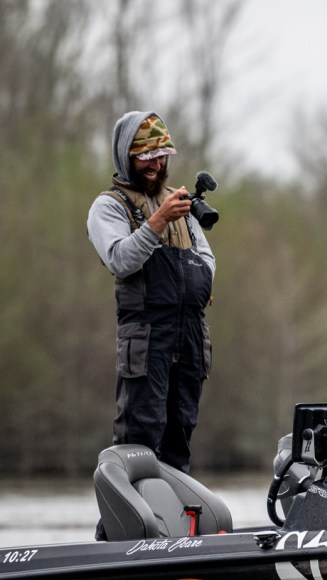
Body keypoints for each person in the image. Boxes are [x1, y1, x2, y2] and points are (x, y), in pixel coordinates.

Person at [87, 111, 215, 520]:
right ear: (126, 157)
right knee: (138, 441)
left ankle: (176, 532)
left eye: (161, 156)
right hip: (145, 336)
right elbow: (121, 259)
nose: (155, 164)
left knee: (180, 438)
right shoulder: (109, 207)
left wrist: (198, 281)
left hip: (191, 336)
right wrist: (158, 222)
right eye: (145, 156)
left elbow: (207, 258)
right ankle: (117, 536)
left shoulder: (180, 205)